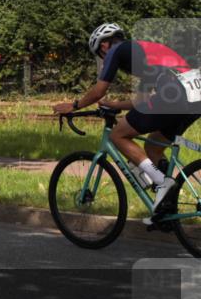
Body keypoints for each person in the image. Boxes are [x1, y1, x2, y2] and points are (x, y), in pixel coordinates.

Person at [52, 23, 201, 223]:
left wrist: (74, 105)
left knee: (117, 135)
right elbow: (141, 102)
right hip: (193, 96)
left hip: (176, 93)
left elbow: (99, 90)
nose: (104, 59)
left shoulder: (117, 50)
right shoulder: (143, 54)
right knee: (152, 146)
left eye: (100, 54)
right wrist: (114, 104)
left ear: (104, 45)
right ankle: (167, 206)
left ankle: (162, 182)